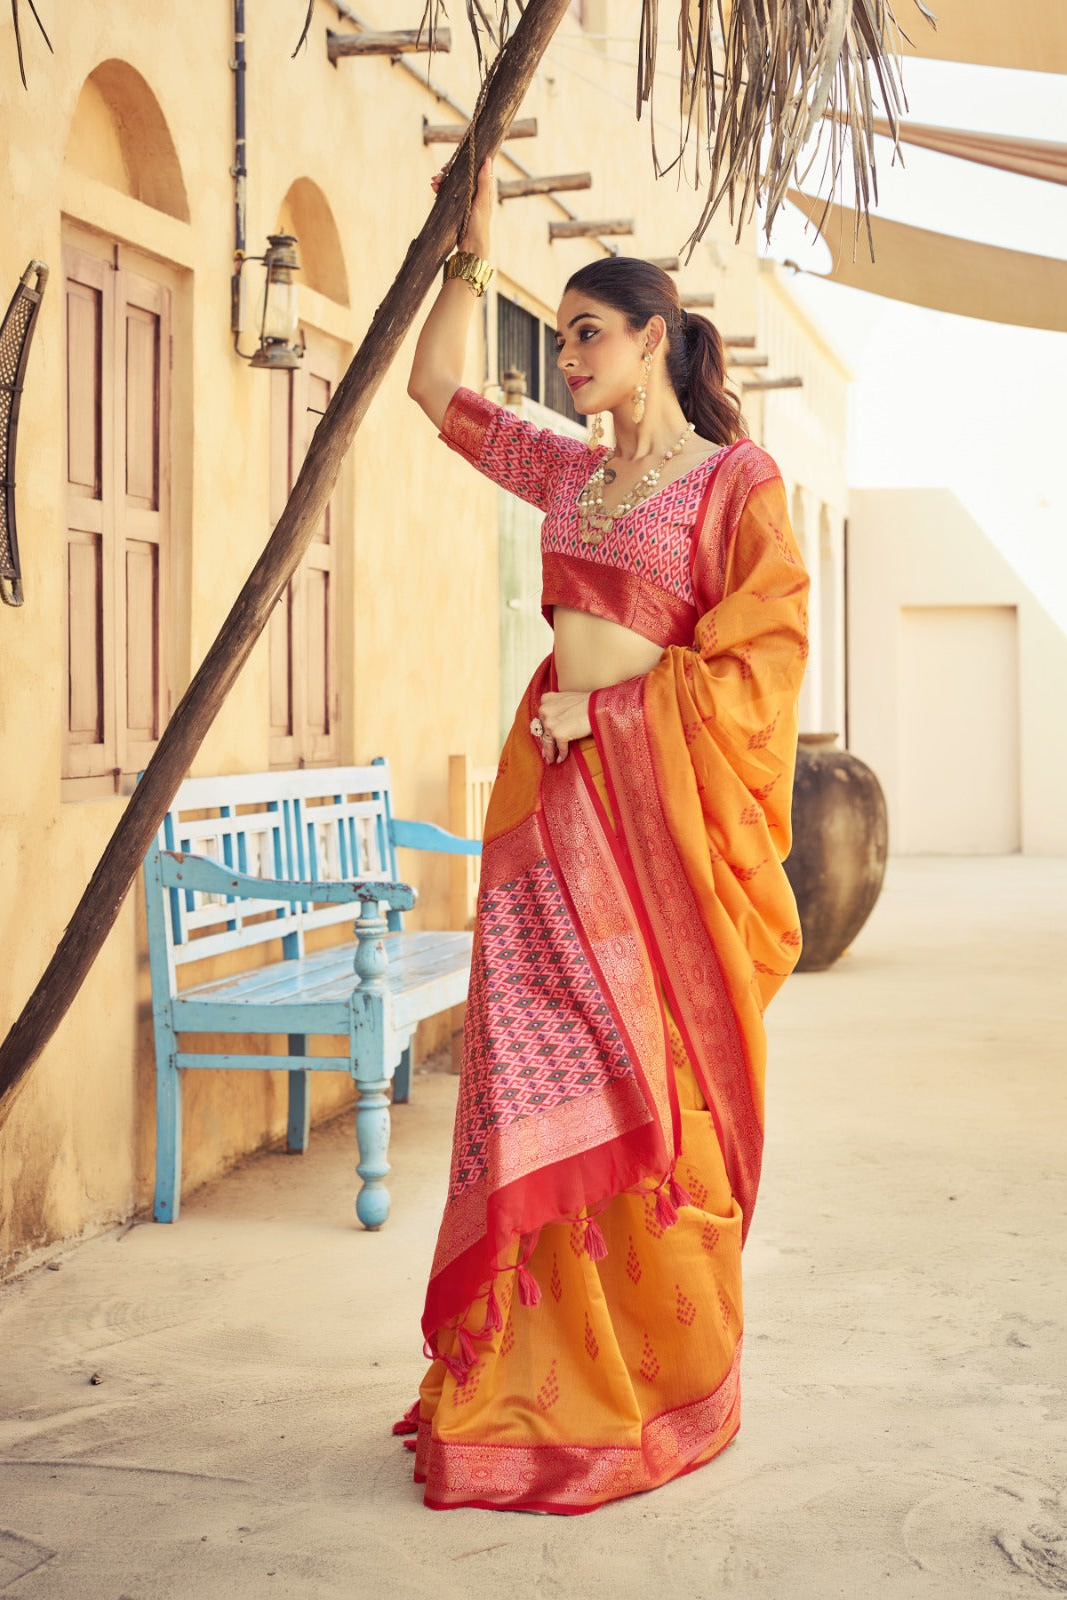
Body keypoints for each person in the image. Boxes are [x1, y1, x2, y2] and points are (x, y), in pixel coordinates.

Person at [400, 156, 809, 1514]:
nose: (564, 353)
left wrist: (622, 721)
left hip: (649, 835)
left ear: (652, 341)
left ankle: (650, 1371)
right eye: (558, 331)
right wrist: (467, 253)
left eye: (586, 332)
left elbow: (764, 658)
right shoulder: (570, 478)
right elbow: (432, 394)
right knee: (527, 1087)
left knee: (652, 1093)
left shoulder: (738, 482)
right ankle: (518, 1376)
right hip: (548, 824)